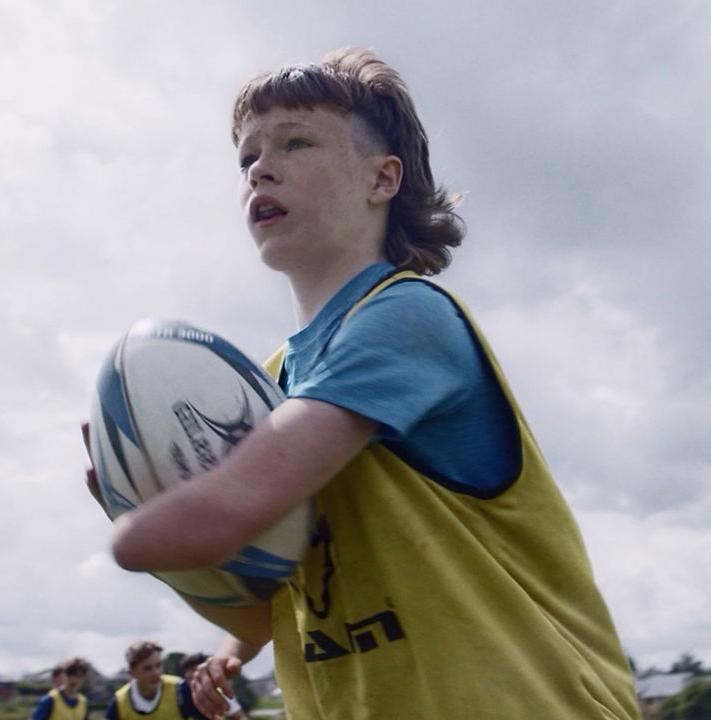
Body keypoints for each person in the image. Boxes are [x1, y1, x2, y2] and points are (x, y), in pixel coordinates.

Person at [87, 47, 641, 719]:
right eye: (246, 157)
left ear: (382, 180)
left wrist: (134, 526)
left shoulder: (405, 318)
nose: (261, 166)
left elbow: (221, 514)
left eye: (295, 142)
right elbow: (267, 610)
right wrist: (162, 541)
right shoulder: (266, 386)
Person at [103, 642, 207, 720]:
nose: (156, 673)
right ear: (132, 673)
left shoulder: (180, 689)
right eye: (147, 668)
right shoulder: (120, 702)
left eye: (158, 665)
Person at [177, 656, 243, 720]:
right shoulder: (179, 693)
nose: (189, 674)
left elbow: (239, 717)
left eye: (193, 669)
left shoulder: (220, 692)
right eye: (186, 671)